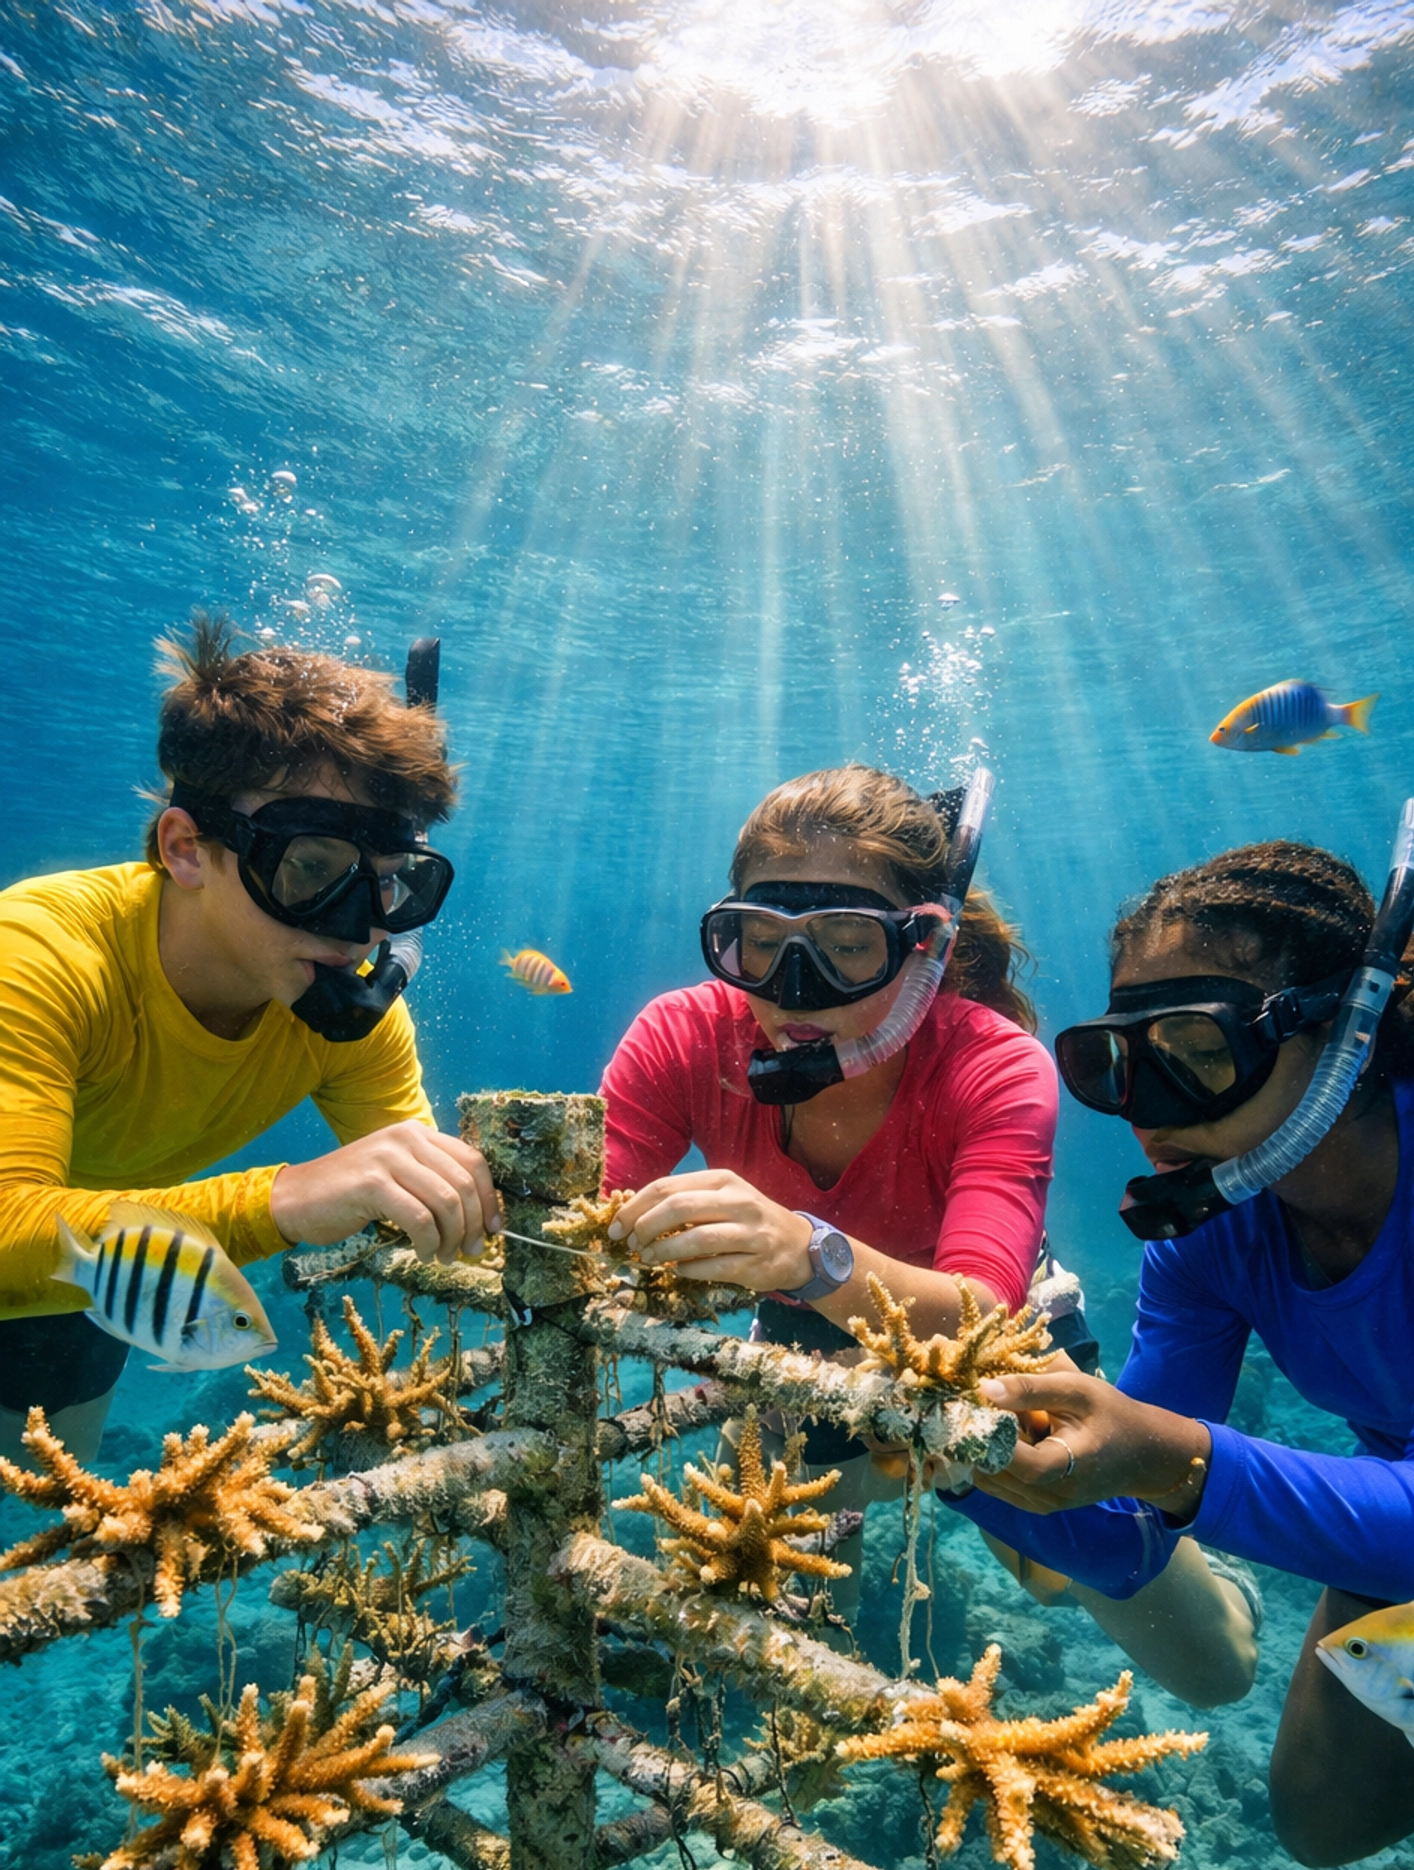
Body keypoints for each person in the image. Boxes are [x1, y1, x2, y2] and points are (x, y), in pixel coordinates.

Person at [599, 764, 1256, 1706]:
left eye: (845, 946)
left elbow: (982, 1305)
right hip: (800, 1339)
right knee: (791, 1646)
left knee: (1202, 1667)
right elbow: (580, 1215)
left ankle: (1204, 1587)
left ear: (922, 949)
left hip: (992, 1344)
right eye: (758, 943)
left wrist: (804, 1249)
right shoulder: (682, 1034)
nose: (794, 988)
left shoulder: (994, 1061)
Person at [960, 834, 1414, 1870]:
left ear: (1347, 1028)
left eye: (1198, 1051)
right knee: (1319, 1813)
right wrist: (948, 1440)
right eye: (1115, 1063)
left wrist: (1166, 1457)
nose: (1146, 1108)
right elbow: (1117, 1522)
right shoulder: (1214, 1216)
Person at [0, 615, 499, 1463]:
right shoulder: (36, 956)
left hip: (103, 1276)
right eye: (310, 867)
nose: (360, 933)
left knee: (33, 1517)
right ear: (186, 847)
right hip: (78, 1245)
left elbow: (429, 1202)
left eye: (390, 887)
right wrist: (287, 1199)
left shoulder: (344, 1011)